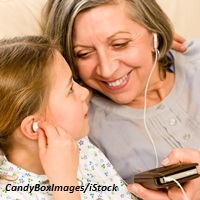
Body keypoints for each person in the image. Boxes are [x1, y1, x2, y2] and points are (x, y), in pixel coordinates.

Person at [43, 0, 200, 199]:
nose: (107, 70)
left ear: (154, 34)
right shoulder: (79, 125)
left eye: (120, 44)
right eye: (83, 54)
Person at [0, 36, 136, 200]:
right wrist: (65, 184)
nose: (84, 93)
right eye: (70, 89)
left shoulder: (78, 142)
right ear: (34, 126)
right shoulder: (11, 194)